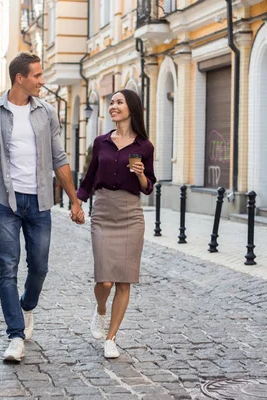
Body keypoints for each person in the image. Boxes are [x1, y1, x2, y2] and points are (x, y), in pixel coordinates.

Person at [0, 51, 85, 362]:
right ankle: (15, 336)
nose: (42, 80)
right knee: (7, 268)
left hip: (39, 201)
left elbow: (59, 159)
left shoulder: (47, 112)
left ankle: (27, 305)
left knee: (40, 267)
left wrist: (75, 200)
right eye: (37, 75)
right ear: (19, 78)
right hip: (5, 201)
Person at [76, 89, 156, 359]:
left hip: (130, 213)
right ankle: (100, 311)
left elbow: (148, 188)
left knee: (124, 281)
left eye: (119, 102)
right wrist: (77, 203)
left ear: (131, 108)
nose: (113, 106)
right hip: (103, 211)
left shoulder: (144, 147)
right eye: (111, 103)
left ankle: (111, 338)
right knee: (105, 280)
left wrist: (142, 175)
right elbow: (88, 179)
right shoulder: (100, 142)